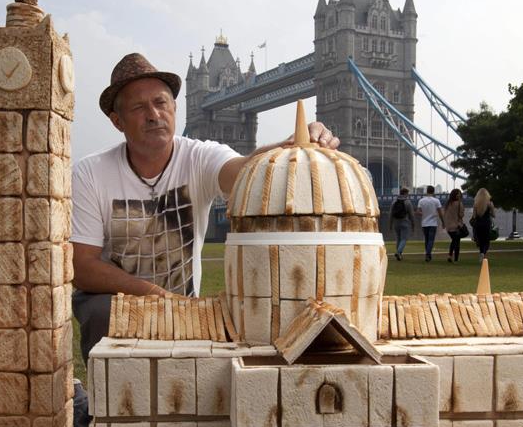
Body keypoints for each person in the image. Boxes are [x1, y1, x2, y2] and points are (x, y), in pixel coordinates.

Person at [71, 52, 340, 363]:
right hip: (117, 302)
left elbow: (247, 170)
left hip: (184, 305)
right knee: (103, 311)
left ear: (174, 108)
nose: (154, 114)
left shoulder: (199, 157)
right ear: (117, 122)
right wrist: (155, 295)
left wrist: (295, 143)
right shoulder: (89, 173)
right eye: (138, 107)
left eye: (161, 103)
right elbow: (82, 266)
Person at [415, 185, 442, 262]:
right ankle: (428, 254)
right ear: (433, 191)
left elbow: (418, 211)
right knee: (431, 240)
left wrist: (422, 213)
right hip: (433, 223)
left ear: (427, 191)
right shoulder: (436, 201)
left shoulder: (421, 201)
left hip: (424, 223)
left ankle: (428, 254)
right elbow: (440, 212)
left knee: (427, 240)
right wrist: (443, 222)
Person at [388, 187, 414, 260]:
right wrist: (413, 224)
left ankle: (399, 255)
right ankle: (398, 252)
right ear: (405, 193)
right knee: (404, 239)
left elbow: (391, 214)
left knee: (398, 239)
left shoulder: (394, 201)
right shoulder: (407, 202)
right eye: (407, 194)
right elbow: (411, 215)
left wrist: (390, 224)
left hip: (396, 222)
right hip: (404, 222)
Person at [441, 188, 466, 262]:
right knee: (457, 242)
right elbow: (461, 215)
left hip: (449, 227)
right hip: (456, 226)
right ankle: (456, 259)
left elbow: (445, 215)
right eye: (459, 194)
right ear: (457, 195)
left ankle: (450, 256)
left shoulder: (448, 204)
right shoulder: (459, 203)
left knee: (454, 241)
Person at [470, 188, 496, 260]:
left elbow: (474, 216)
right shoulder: (489, 203)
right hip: (487, 223)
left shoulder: (476, 204)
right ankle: (483, 253)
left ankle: (481, 252)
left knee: (481, 240)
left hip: (478, 224)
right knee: (486, 240)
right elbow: (494, 215)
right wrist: (489, 212)